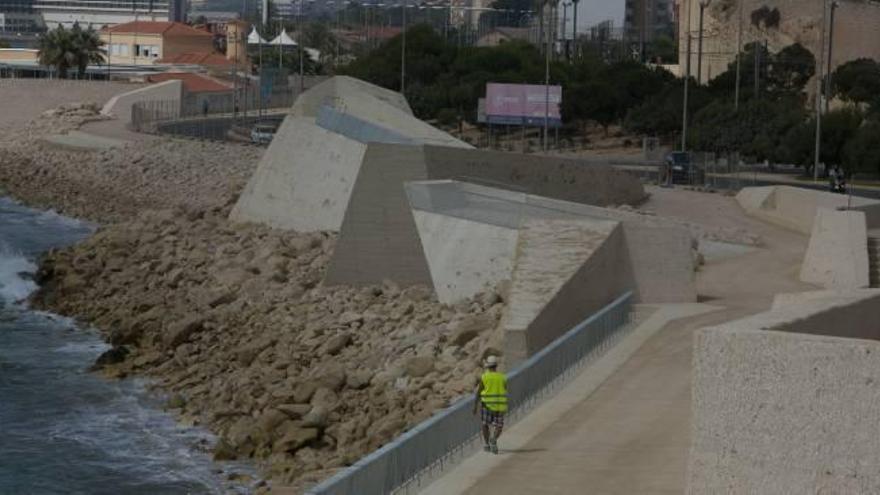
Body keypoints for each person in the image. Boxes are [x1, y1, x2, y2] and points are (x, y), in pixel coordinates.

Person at [473, 355, 508, 454]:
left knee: (485, 424)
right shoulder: (502, 377)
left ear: (488, 366)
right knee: (499, 426)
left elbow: (479, 392)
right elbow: (504, 389)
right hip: (500, 406)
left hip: (487, 405)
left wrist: (475, 405)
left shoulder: (485, 377)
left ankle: (487, 444)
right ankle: (494, 439)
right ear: (496, 366)